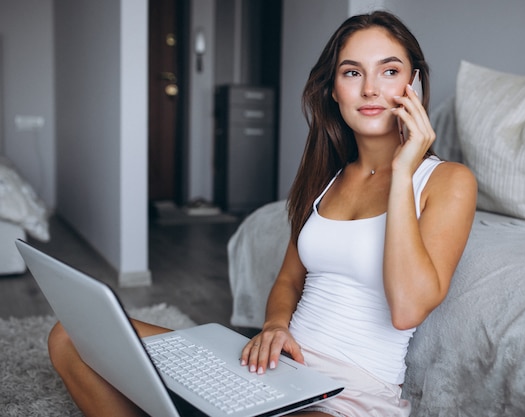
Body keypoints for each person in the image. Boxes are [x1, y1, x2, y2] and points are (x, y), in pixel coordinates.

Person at [47, 10, 476, 417]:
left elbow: (407, 309)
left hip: (349, 395)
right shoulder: (325, 178)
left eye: (389, 71)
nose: (369, 89)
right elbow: (289, 279)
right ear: (333, 89)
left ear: (414, 84)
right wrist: (273, 326)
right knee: (70, 336)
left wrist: (403, 172)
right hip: (275, 368)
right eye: (352, 72)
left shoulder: (448, 181)